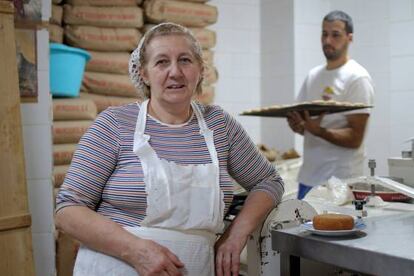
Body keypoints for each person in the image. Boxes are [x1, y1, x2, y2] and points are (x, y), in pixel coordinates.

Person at [55, 22, 284, 276]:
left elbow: (269, 181)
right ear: (144, 73)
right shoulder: (115, 124)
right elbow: (68, 210)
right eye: (162, 62)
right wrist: (137, 251)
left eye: (185, 60)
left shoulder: (219, 125)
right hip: (117, 267)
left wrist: (236, 234)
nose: (175, 72)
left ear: (200, 69)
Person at [287, 10, 375, 200]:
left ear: (349, 38)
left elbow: (355, 137)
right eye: (324, 34)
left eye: (335, 35)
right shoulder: (313, 76)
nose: (328, 40)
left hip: (342, 183)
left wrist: (320, 131)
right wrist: (300, 126)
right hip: (308, 179)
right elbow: (307, 126)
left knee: (334, 229)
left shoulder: (357, 77)